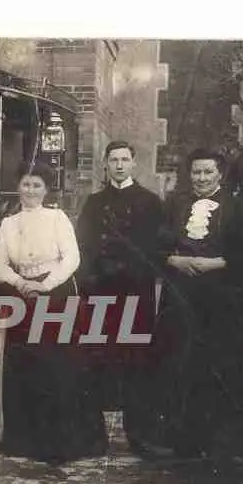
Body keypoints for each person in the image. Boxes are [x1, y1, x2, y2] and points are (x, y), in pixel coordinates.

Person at [0, 161, 107, 464]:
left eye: (37, 185)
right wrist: (20, 282)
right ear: (18, 187)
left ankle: (64, 442)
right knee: (28, 365)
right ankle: (28, 442)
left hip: (56, 294)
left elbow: (72, 258)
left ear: (46, 190)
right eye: (26, 184)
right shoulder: (9, 224)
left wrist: (46, 285)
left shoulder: (57, 218)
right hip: (23, 295)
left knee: (60, 365)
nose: (30, 190)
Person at [155, 148, 243, 462]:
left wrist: (215, 263)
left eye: (207, 172)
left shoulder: (238, 208)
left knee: (225, 363)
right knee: (183, 362)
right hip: (183, 295)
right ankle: (186, 441)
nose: (201, 178)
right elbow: (157, 245)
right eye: (196, 172)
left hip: (223, 297)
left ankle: (232, 443)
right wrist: (175, 260)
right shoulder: (174, 206)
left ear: (220, 174)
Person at [76, 140, 166, 455]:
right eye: (113, 160)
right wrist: (94, 275)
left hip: (135, 293)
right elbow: (83, 245)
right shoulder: (93, 203)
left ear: (133, 164)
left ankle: (140, 436)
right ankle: (93, 437)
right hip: (100, 292)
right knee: (96, 359)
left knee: (136, 361)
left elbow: (156, 249)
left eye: (124, 160)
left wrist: (127, 269)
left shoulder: (150, 202)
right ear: (105, 163)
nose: (118, 165)